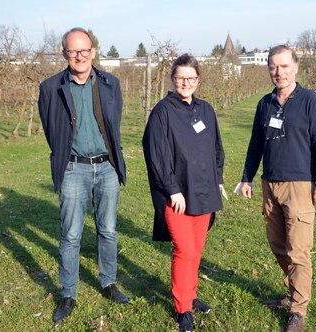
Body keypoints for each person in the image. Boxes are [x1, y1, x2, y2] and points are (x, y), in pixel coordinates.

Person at [38, 27, 128, 324]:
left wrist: (111, 162)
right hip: (73, 168)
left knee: (108, 230)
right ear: (65, 53)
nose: (80, 56)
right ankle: (68, 292)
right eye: (73, 51)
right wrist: (66, 157)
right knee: (71, 234)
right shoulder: (51, 88)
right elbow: (53, 130)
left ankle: (109, 283)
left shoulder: (110, 83)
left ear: (93, 51)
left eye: (85, 49)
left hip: (107, 168)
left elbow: (113, 124)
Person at [239, 45, 316, 332]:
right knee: (279, 245)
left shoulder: (310, 101)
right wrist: (247, 177)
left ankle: (298, 310)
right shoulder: (264, 103)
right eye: (273, 66)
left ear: (296, 67)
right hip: (270, 184)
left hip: (300, 185)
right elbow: (256, 143)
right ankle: (292, 292)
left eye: (284, 66)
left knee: (299, 250)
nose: (278, 72)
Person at [142, 54, 225, 332]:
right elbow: (156, 155)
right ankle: (182, 308)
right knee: (185, 250)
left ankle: (190, 296)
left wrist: (219, 178)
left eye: (191, 78)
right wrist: (172, 189)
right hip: (177, 196)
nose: (185, 83)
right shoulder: (163, 111)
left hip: (204, 191)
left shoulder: (206, 110)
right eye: (180, 78)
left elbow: (216, 148)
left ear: (198, 79)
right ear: (172, 79)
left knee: (197, 250)